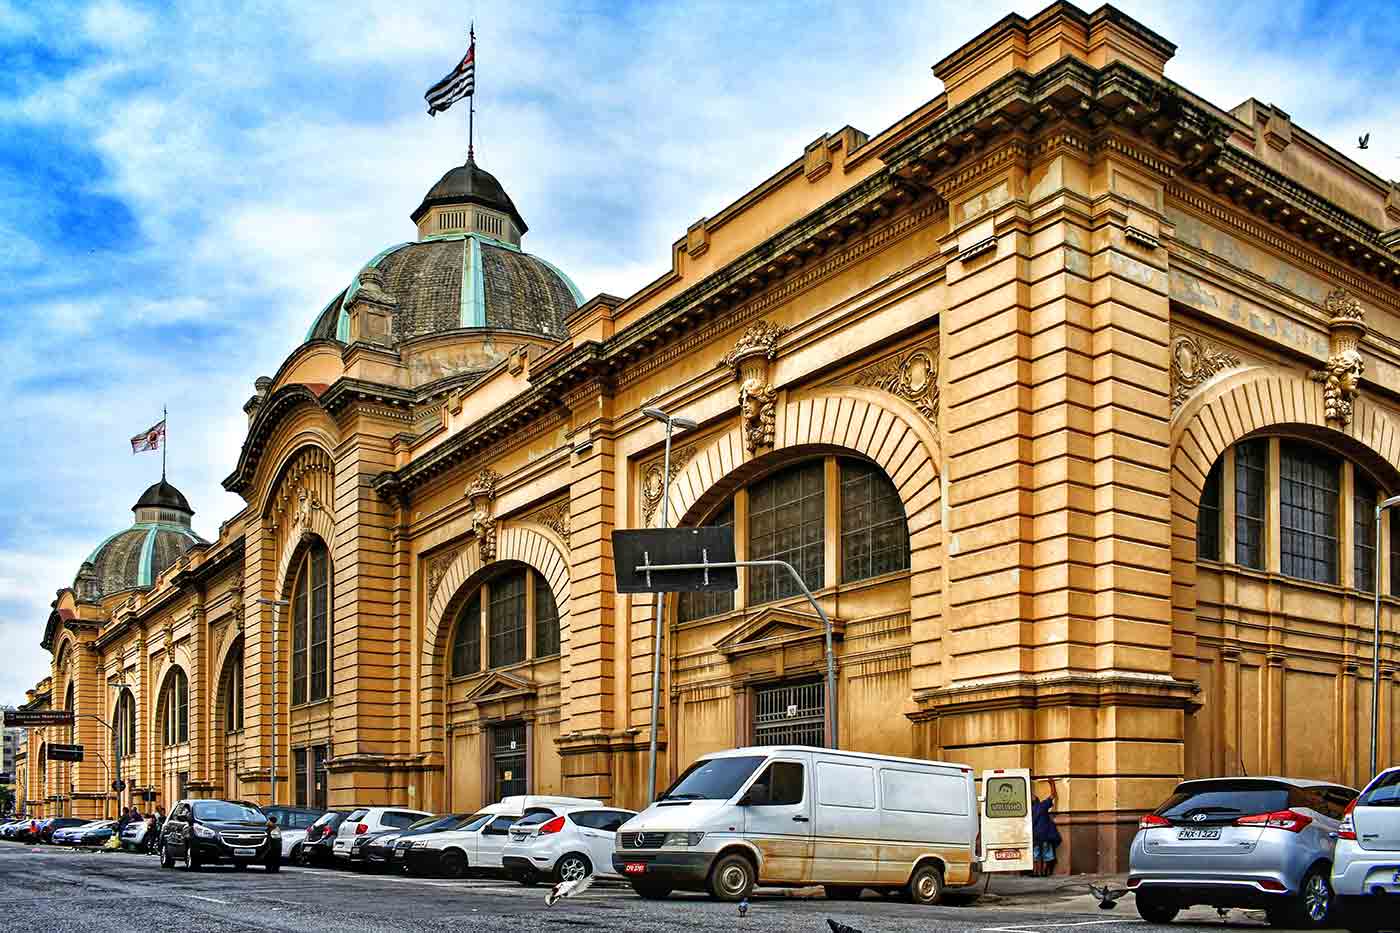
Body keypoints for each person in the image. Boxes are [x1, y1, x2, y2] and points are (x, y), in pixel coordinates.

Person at [1031, 777, 1060, 877]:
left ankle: (1036, 872)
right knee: (1047, 854)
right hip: (1045, 835)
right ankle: (1044, 872)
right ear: (1038, 800)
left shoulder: (1029, 811)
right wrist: (1051, 783)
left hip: (1035, 836)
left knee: (1036, 855)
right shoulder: (1043, 805)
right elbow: (1053, 795)